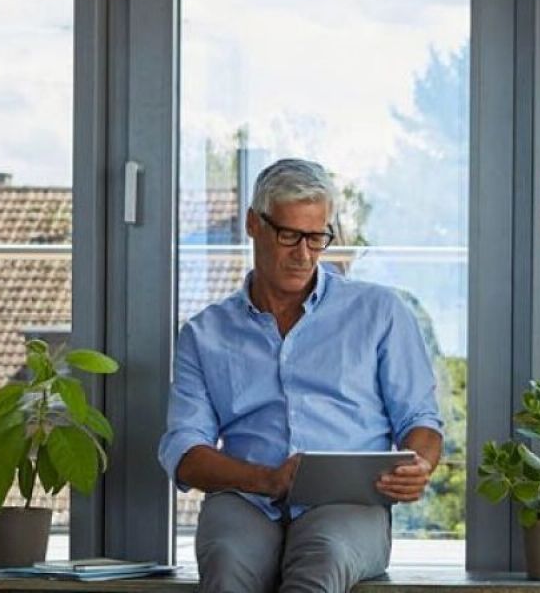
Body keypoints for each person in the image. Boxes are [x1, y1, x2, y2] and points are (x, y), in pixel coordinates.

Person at [158, 158, 443, 593]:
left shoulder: (380, 313)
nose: (304, 255)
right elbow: (184, 450)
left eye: (316, 238)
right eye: (289, 235)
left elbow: (420, 421)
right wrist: (266, 479)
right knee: (228, 560)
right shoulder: (204, 334)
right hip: (246, 498)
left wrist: (418, 464)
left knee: (324, 557)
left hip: (348, 503)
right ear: (254, 224)